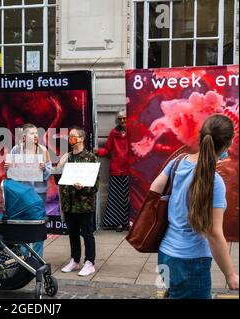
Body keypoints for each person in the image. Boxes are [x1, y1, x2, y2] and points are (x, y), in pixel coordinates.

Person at [150, 114, 239, 299]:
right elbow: (214, 233)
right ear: (227, 144)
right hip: (191, 262)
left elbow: (154, 190)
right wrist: (230, 275)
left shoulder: (177, 163)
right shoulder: (214, 181)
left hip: (166, 254)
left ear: (201, 136)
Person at [55, 126, 99, 277]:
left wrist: (83, 187)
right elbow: (58, 179)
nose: (70, 139)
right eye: (69, 136)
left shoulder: (90, 157)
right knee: (72, 233)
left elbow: (95, 184)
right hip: (69, 203)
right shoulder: (67, 157)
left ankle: (90, 262)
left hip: (84, 204)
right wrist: (58, 167)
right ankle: (75, 259)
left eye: (73, 136)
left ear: (81, 139)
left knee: (87, 233)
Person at [4, 123, 51, 257]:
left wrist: (45, 169)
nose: (35, 135)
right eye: (32, 133)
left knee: (38, 224)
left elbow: (48, 173)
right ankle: (23, 255)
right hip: (21, 194)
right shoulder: (15, 150)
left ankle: (37, 257)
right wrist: (7, 167)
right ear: (24, 137)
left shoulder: (43, 150)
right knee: (21, 224)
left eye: (36, 133)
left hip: (38, 194)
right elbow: (10, 174)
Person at [95, 110, 130, 232]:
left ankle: (130, 222)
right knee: (116, 199)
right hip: (116, 170)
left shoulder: (134, 131)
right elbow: (107, 150)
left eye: (124, 118)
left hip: (130, 170)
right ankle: (119, 223)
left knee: (130, 198)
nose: (122, 121)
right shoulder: (113, 132)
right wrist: (97, 152)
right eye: (120, 119)